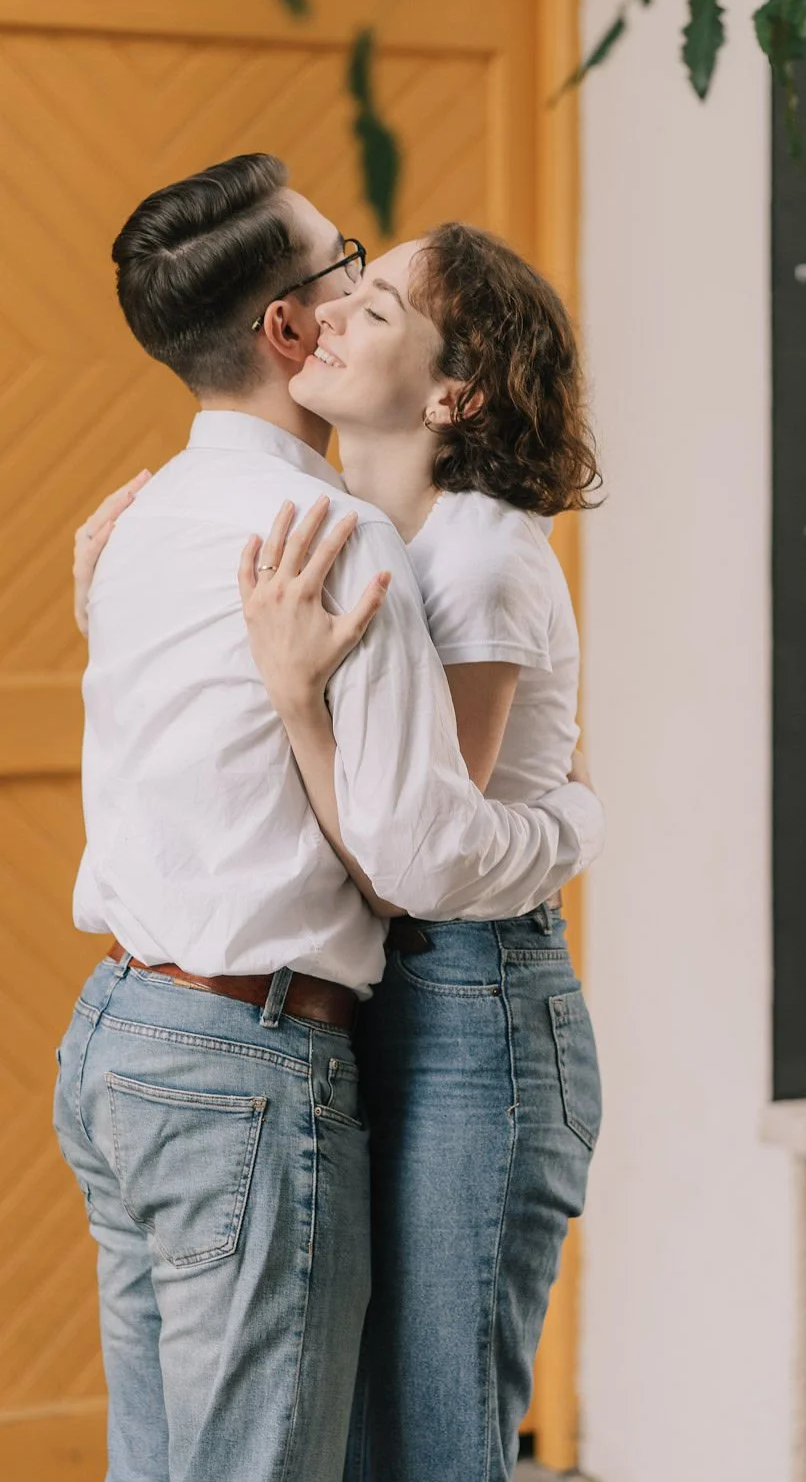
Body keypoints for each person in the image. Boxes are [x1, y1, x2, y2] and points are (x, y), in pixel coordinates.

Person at [55, 153, 603, 1482]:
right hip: (249, 1053)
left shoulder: (143, 521)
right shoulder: (337, 540)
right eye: (343, 272)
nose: (355, 295)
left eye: (380, 293)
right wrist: (575, 821)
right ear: (286, 329)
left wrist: (286, 697)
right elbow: (419, 855)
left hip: (131, 1038)